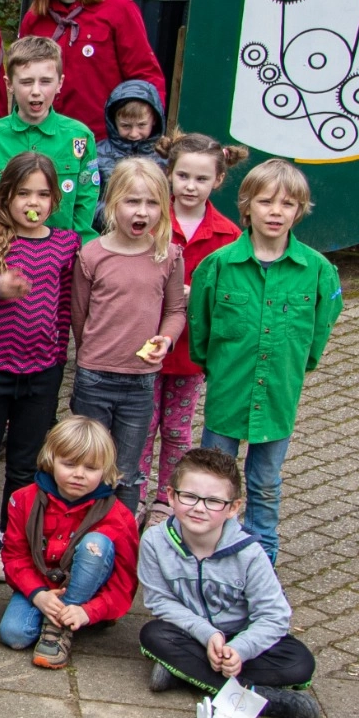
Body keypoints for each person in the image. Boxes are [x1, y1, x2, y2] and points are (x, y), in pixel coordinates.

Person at [188, 160, 342, 564]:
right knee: (213, 479)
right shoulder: (218, 265)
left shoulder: (317, 270)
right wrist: (217, 368)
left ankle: (260, 562)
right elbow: (200, 329)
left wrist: (296, 368)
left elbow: (319, 329)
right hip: (228, 392)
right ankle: (207, 555)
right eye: (266, 202)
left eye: (287, 204)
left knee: (266, 483)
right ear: (247, 205)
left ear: (300, 210)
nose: (276, 212)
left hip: (277, 397)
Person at [0, 151, 82, 574]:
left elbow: (65, 308)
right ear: (6, 196)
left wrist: (58, 359)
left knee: (25, 464)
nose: (34, 202)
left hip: (42, 373)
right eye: (24, 193)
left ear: (55, 200)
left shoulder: (66, 243)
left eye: (42, 194)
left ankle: (12, 541)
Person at [138, 448, 320, 718]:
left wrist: (240, 649)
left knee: (300, 663)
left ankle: (184, 673)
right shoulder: (154, 541)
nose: (199, 508)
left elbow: (274, 616)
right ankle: (262, 699)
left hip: (242, 637)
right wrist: (207, 633)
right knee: (153, 634)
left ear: (233, 508)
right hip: (192, 634)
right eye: (189, 496)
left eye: (213, 501)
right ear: (171, 496)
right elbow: (160, 601)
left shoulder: (250, 552)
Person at [139, 132, 247, 529]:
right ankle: (134, 494)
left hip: (190, 353)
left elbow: (234, 296)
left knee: (177, 430)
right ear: (169, 173)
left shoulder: (228, 235)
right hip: (146, 344)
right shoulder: (150, 219)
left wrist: (199, 294)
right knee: (142, 426)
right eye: (183, 176)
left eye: (201, 179)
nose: (190, 186)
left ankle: (167, 499)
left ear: (218, 180)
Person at [69, 157, 186, 515]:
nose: (142, 212)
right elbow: (79, 315)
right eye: (132, 201)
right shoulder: (92, 255)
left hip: (140, 382)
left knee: (127, 472)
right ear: (112, 203)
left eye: (152, 203)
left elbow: (175, 311)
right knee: (87, 463)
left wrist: (165, 339)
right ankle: (80, 530)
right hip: (94, 378)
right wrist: (91, 354)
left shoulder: (168, 255)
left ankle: (121, 537)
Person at [0, 416, 139, 669]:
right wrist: (37, 594)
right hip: (42, 583)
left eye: (91, 468)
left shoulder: (118, 516)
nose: (79, 474)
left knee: (95, 544)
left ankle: (62, 623)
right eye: (69, 464)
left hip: (89, 587)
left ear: (105, 470)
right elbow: (14, 557)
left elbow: (125, 581)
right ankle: (59, 613)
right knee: (14, 634)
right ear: (51, 459)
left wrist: (92, 610)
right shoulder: (23, 499)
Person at [19, 0, 166, 141]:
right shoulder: (35, 18)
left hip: (103, 142)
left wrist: (140, 133)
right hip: (45, 139)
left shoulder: (119, 10)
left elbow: (146, 78)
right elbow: (20, 78)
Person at [0, 36, 99, 245]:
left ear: (60, 83)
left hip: (60, 258)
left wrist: (69, 250)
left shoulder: (79, 137)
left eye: (45, 81)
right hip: (1, 256)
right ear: (9, 84)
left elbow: (85, 207)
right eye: (26, 82)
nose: (36, 91)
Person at [93, 79, 166, 227]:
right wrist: (114, 216)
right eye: (126, 126)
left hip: (153, 231)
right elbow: (87, 200)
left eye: (141, 125)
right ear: (113, 121)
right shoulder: (97, 155)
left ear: (154, 120)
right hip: (107, 229)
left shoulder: (164, 155)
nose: (134, 133)